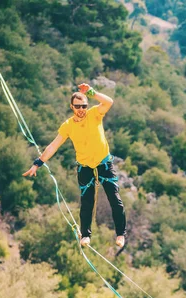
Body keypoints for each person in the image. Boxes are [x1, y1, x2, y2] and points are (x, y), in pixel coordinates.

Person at [23, 83, 126, 248]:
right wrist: (38, 163)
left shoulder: (94, 114)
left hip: (104, 163)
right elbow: (53, 146)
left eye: (84, 105)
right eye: (77, 106)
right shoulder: (68, 125)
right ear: (72, 107)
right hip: (85, 166)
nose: (81, 109)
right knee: (86, 202)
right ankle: (85, 235)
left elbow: (109, 102)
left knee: (114, 199)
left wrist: (91, 92)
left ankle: (120, 234)